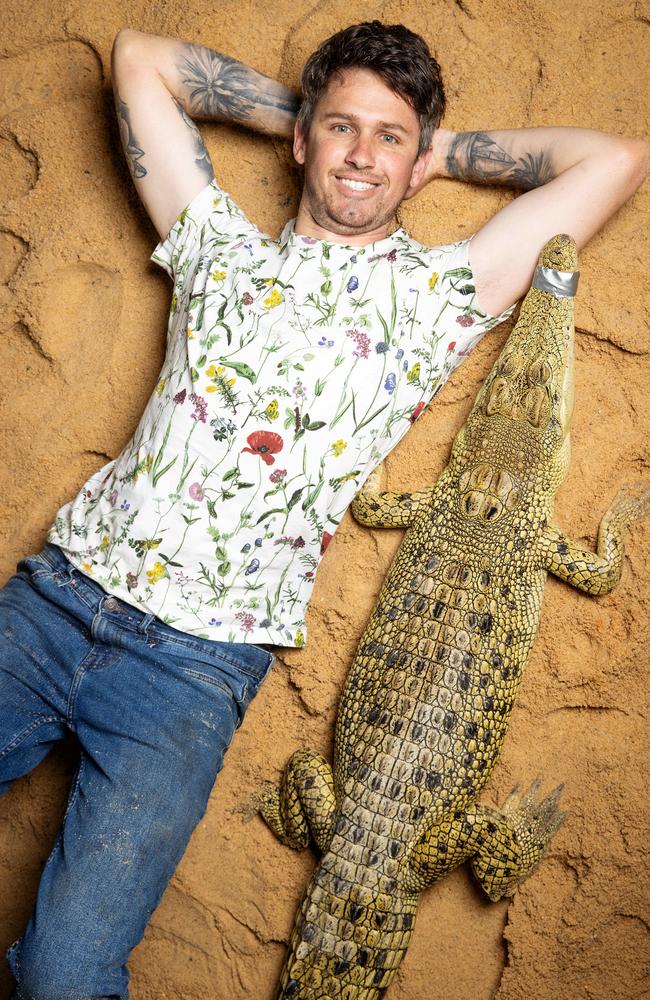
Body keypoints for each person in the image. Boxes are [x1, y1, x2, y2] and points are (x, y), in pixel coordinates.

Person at [1, 19, 646, 1000]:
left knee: (61, 974)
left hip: (188, 676)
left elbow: (614, 159)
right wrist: (309, 115)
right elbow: (140, 60)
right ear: (301, 138)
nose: (360, 153)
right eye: (338, 128)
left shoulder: (438, 296)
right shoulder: (212, 238)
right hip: (55, 602)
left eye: (388, 136)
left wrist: (434, 154)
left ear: (415, 155)